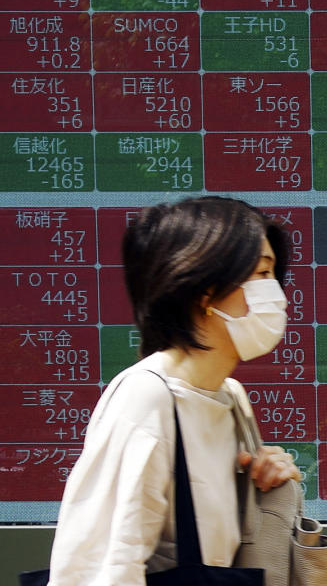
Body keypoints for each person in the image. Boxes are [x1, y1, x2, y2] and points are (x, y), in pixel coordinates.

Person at [47, 196, 303, 585]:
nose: (276, 296)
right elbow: (99, 570)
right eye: (262, 274)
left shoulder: (230, 398)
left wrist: (273, 486)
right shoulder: (145, 398)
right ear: (204, 290)